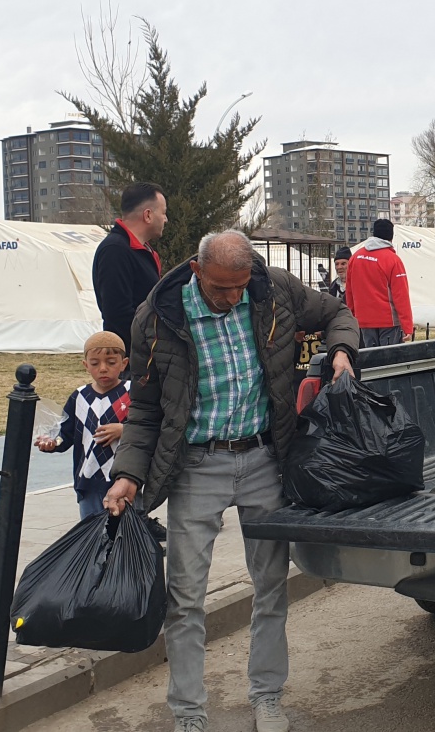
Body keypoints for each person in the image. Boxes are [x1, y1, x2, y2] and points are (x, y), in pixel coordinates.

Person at [107, 231, 359, 732]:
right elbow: (146, 410)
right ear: (198, 272)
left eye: (239, 287)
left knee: (271, 586)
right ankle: (189, 714)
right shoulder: (156, 318)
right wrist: (127, 475)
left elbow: (337, 314)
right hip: (196, 467)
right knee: (185, 598)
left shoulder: (274, 289)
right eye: (221, 288)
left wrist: (341, 352)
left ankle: (266, 697)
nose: (232, 298)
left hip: (266, 458)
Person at [37, 332, 130, 519]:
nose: (103, 369)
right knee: (91, 536)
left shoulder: (132, 393)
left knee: (124, 535)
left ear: (124, 363)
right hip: (87, 481)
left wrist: (124, 430)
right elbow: (66, 433)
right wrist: (52, 442)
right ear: (86, 365)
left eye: (111, 362)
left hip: (124, 480)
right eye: (95, 363)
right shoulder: (79, 396)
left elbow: (147, 429)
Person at [93, 182, 168, 350]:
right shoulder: (115, 250)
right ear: (148, 215)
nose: (166, 219)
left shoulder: (140, 250)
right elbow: (117, 315)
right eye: (163, 213)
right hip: (133, 359)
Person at [346, 219, 415, 347]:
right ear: (391, 237)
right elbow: (401, 296)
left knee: (372, 361)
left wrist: (352, 318)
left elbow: (349, 292)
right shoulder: (393, 260)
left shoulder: (355, 257)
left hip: (364, 320)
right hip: (388, 321)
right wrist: (407, 326)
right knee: (389, 361)